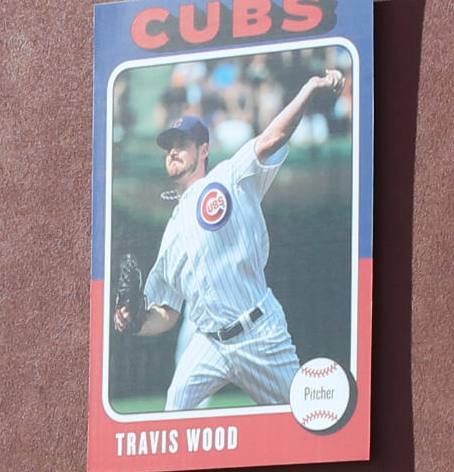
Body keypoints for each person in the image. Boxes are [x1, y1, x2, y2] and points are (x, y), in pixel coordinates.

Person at [114, 66, 343, 409]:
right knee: (174, 410)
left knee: (302, 419)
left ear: (203, 150)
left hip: (259, 333)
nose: (173, 151)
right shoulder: (172, 232)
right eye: (168, 147)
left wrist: (309, 89)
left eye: (182, 144)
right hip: (210, 344)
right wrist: (134, 323)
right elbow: (167, 312)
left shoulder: (229, 178)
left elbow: (273, 137)